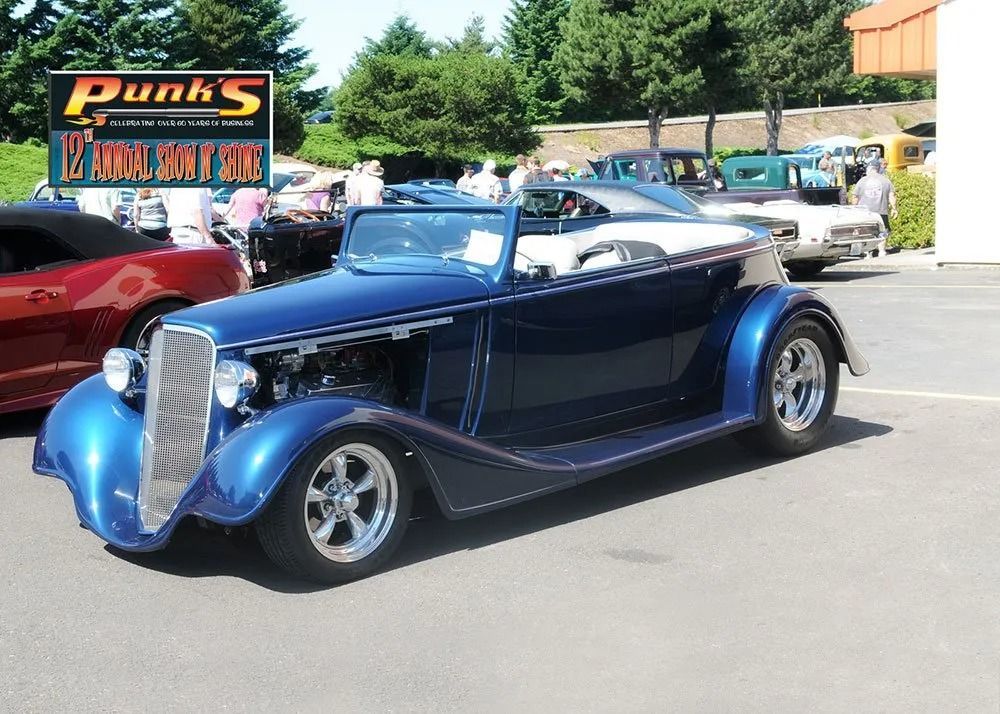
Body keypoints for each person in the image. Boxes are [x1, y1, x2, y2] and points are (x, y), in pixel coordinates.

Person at [852, 164, 898, 257]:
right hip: (881, 210)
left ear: (869, 170)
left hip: (865, 212)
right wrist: (894, 208)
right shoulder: (886, 181)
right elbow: (891, 196)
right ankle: (882, 251)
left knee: (865, 231)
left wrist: (853, 209)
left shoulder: (862, 181)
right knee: (882, 231)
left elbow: (855, 197)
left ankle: (867, 252)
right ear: (878, 170)